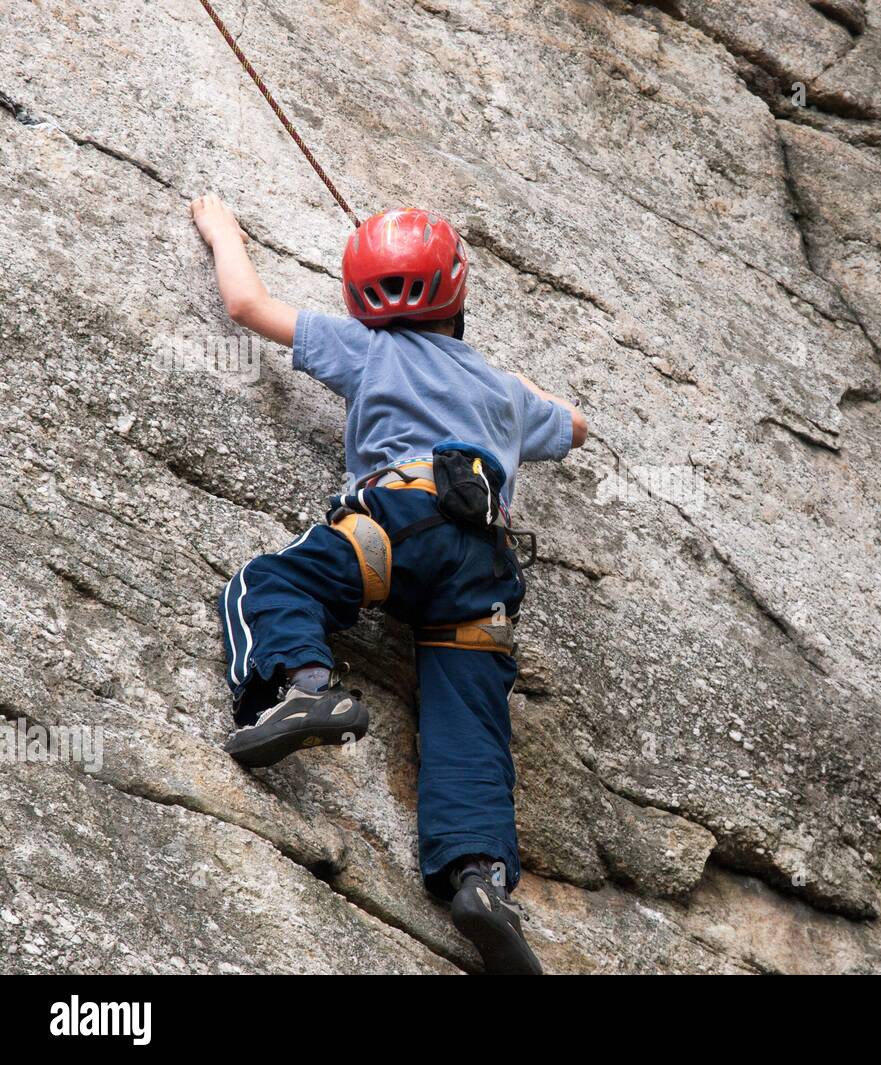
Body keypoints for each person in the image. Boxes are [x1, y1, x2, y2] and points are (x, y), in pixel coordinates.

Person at [190, 195, 587, 974]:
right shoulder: (504, 393)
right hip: (485, 567)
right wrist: (512, 381)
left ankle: (302, 684)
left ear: (358, 296)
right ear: (457, 295)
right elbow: (574, 426)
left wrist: (222, 228)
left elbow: (245, 304)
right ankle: (479, 878)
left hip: (398, 523)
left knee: (271, 583)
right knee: (470, 724)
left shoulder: (366, 347)